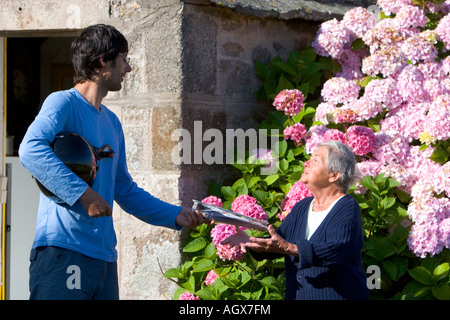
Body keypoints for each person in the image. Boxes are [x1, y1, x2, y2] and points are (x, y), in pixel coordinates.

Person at [19, 24, 208, 300]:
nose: (128, 68)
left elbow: (125, 190)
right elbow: (30, 150)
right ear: (103, 61)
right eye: (124, 59)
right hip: (63, 251)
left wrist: (174, 215)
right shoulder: (62, 103)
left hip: (104, 259)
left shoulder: (112, 123)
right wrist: (84, 194)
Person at [223, 140, 369, 300]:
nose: (306, 163)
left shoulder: (347, 206)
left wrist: (291, 248)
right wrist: (251, 241)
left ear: (334, 175)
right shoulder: (302, 206)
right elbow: (278, 242)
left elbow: (337, 249)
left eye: (315, 160)